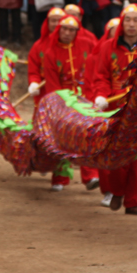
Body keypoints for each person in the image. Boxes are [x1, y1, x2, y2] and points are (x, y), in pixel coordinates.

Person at [88, 4, 137, 212]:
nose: (132, 24)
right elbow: (101, 76)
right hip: (115, 106)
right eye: (128, 19)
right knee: (115, 153)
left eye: (136, 19)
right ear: (122, 22)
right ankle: (116, 191)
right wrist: (101, 95)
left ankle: (134, 202)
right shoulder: (107, 48)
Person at [39, 14, 98, 190]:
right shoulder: (50, 52)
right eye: (64, 29)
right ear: (59, 29)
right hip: (63, 100)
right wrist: (61, 104)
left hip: (85, 98)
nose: (67, 33)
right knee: (62, 137)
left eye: (72, 30)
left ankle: (90, 176)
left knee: (87, 136)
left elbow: (95, 68)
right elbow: (52, 84)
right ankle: (60, 177)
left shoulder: (87, 45)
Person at [26, 7, 66, 102]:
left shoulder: (70, 46)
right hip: (45, 88)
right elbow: (33, 69)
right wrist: (34, 82)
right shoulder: (38, 46)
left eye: (59, 20)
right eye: (53, 20)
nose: (56, 24)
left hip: (67, 89)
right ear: (47, 22)